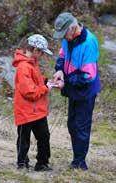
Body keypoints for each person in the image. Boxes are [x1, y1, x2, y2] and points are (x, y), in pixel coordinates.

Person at [53, 12, 101, 170]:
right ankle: (77, 158)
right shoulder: (67, 39)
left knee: (81, 126)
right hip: (73, 88)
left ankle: (80, 163)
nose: (62, 37)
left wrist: (66, 82)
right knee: (72, 124)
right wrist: (59, 70)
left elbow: (88, 75)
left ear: (73, 28)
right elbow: (62, 55)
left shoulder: (89, 43)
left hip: (85, 91)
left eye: (63, 33)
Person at [12, 34, 54, 171]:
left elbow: (34, 81)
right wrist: (45, 88)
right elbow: (29, 91)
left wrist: (46, 81)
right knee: (24, 139)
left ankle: (42, 163)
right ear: (35, 50)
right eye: (42, 52)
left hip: (38, 110)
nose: (42, 55)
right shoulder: (24, 66)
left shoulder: (32, 63)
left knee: (44, 136)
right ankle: (22, 163)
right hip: (25, 111)